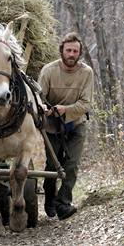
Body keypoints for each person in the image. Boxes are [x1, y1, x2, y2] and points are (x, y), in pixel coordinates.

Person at [37, 32, 94, 220]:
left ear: (80, 53)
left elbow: (86, 104)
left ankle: (63, 204)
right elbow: (39, 98)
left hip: (76, 122)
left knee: (72, 164)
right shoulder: (48, 70)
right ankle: (50, 198)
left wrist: (65, 109)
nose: (71, 54)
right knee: (53, 165)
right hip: (52, 125)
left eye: (75, 51)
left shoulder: (86, 73)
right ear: (61, 51)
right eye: (68, 50)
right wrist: (45, 108)